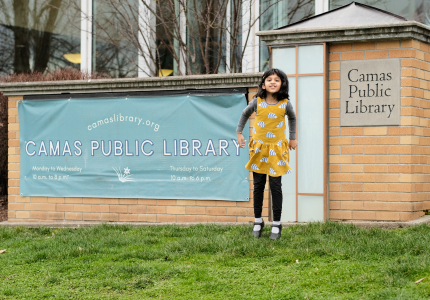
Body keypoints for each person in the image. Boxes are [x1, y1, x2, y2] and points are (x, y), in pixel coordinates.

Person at [236, 68, 297, 240]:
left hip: (277, 151)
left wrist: (292, 138)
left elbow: (292, 118)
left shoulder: (285, 103)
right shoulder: (258, 101)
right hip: (259, 150)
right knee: (258, 185)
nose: (272, 82)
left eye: (276, 80)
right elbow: (244, 113)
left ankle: (276, 224)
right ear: (263, 84)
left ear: (282, 84)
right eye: (269, 79)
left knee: (276, 187)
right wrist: (239, 133)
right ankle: (258, 221)